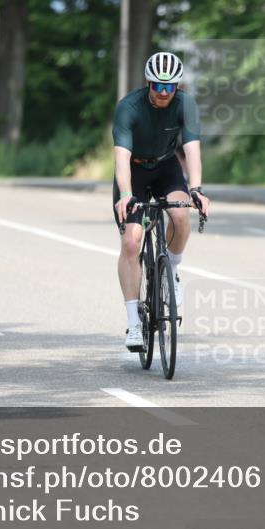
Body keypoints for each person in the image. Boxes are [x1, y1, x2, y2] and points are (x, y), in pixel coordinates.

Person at [112, 51, 210, 351]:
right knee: (131, 242)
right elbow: (122, 159)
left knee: (181, 217)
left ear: (178, 87)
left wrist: (196, 188)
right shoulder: (129, 107)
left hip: (167, 167)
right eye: (158, 86)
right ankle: (133, 322)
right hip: (135, 171)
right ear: (148, 83)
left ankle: (173, 272)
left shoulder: (185, 104)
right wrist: (126, 195)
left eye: (170, 87)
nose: (164, 93)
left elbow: (192, 149)